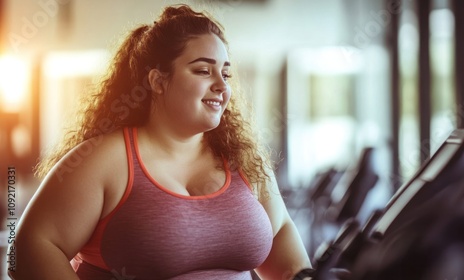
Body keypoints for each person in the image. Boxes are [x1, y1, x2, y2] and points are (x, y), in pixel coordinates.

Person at [11, 4, 311, 280]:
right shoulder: (106, 159)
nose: (221, 86)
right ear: (157, 81)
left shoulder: (241, 157)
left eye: (226, 73)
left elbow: (280, 231)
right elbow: (28, 249)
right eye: (203, 71)